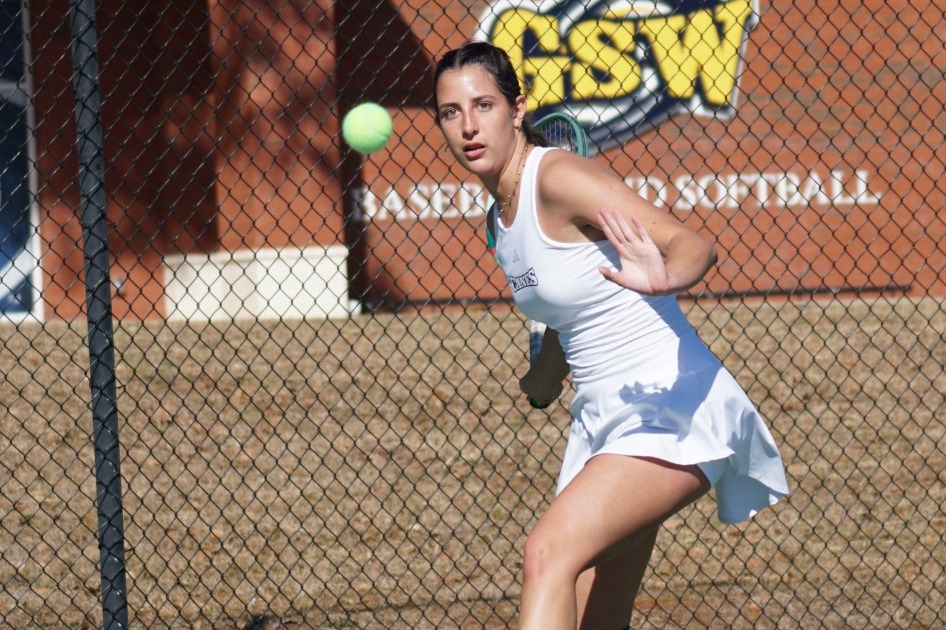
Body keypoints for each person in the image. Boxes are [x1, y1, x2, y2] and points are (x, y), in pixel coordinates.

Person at [433, 41, 789, 630]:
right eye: (451, 112)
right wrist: (543, 378)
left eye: (484, 105)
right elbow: (568, 320)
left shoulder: (559, 176)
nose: (469, 126)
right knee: (596, 619)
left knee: (547, 555)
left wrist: (665, 275)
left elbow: (691, 243)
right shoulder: (500, 216)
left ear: (518, 108)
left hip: (669, 404)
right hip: (601, 419)